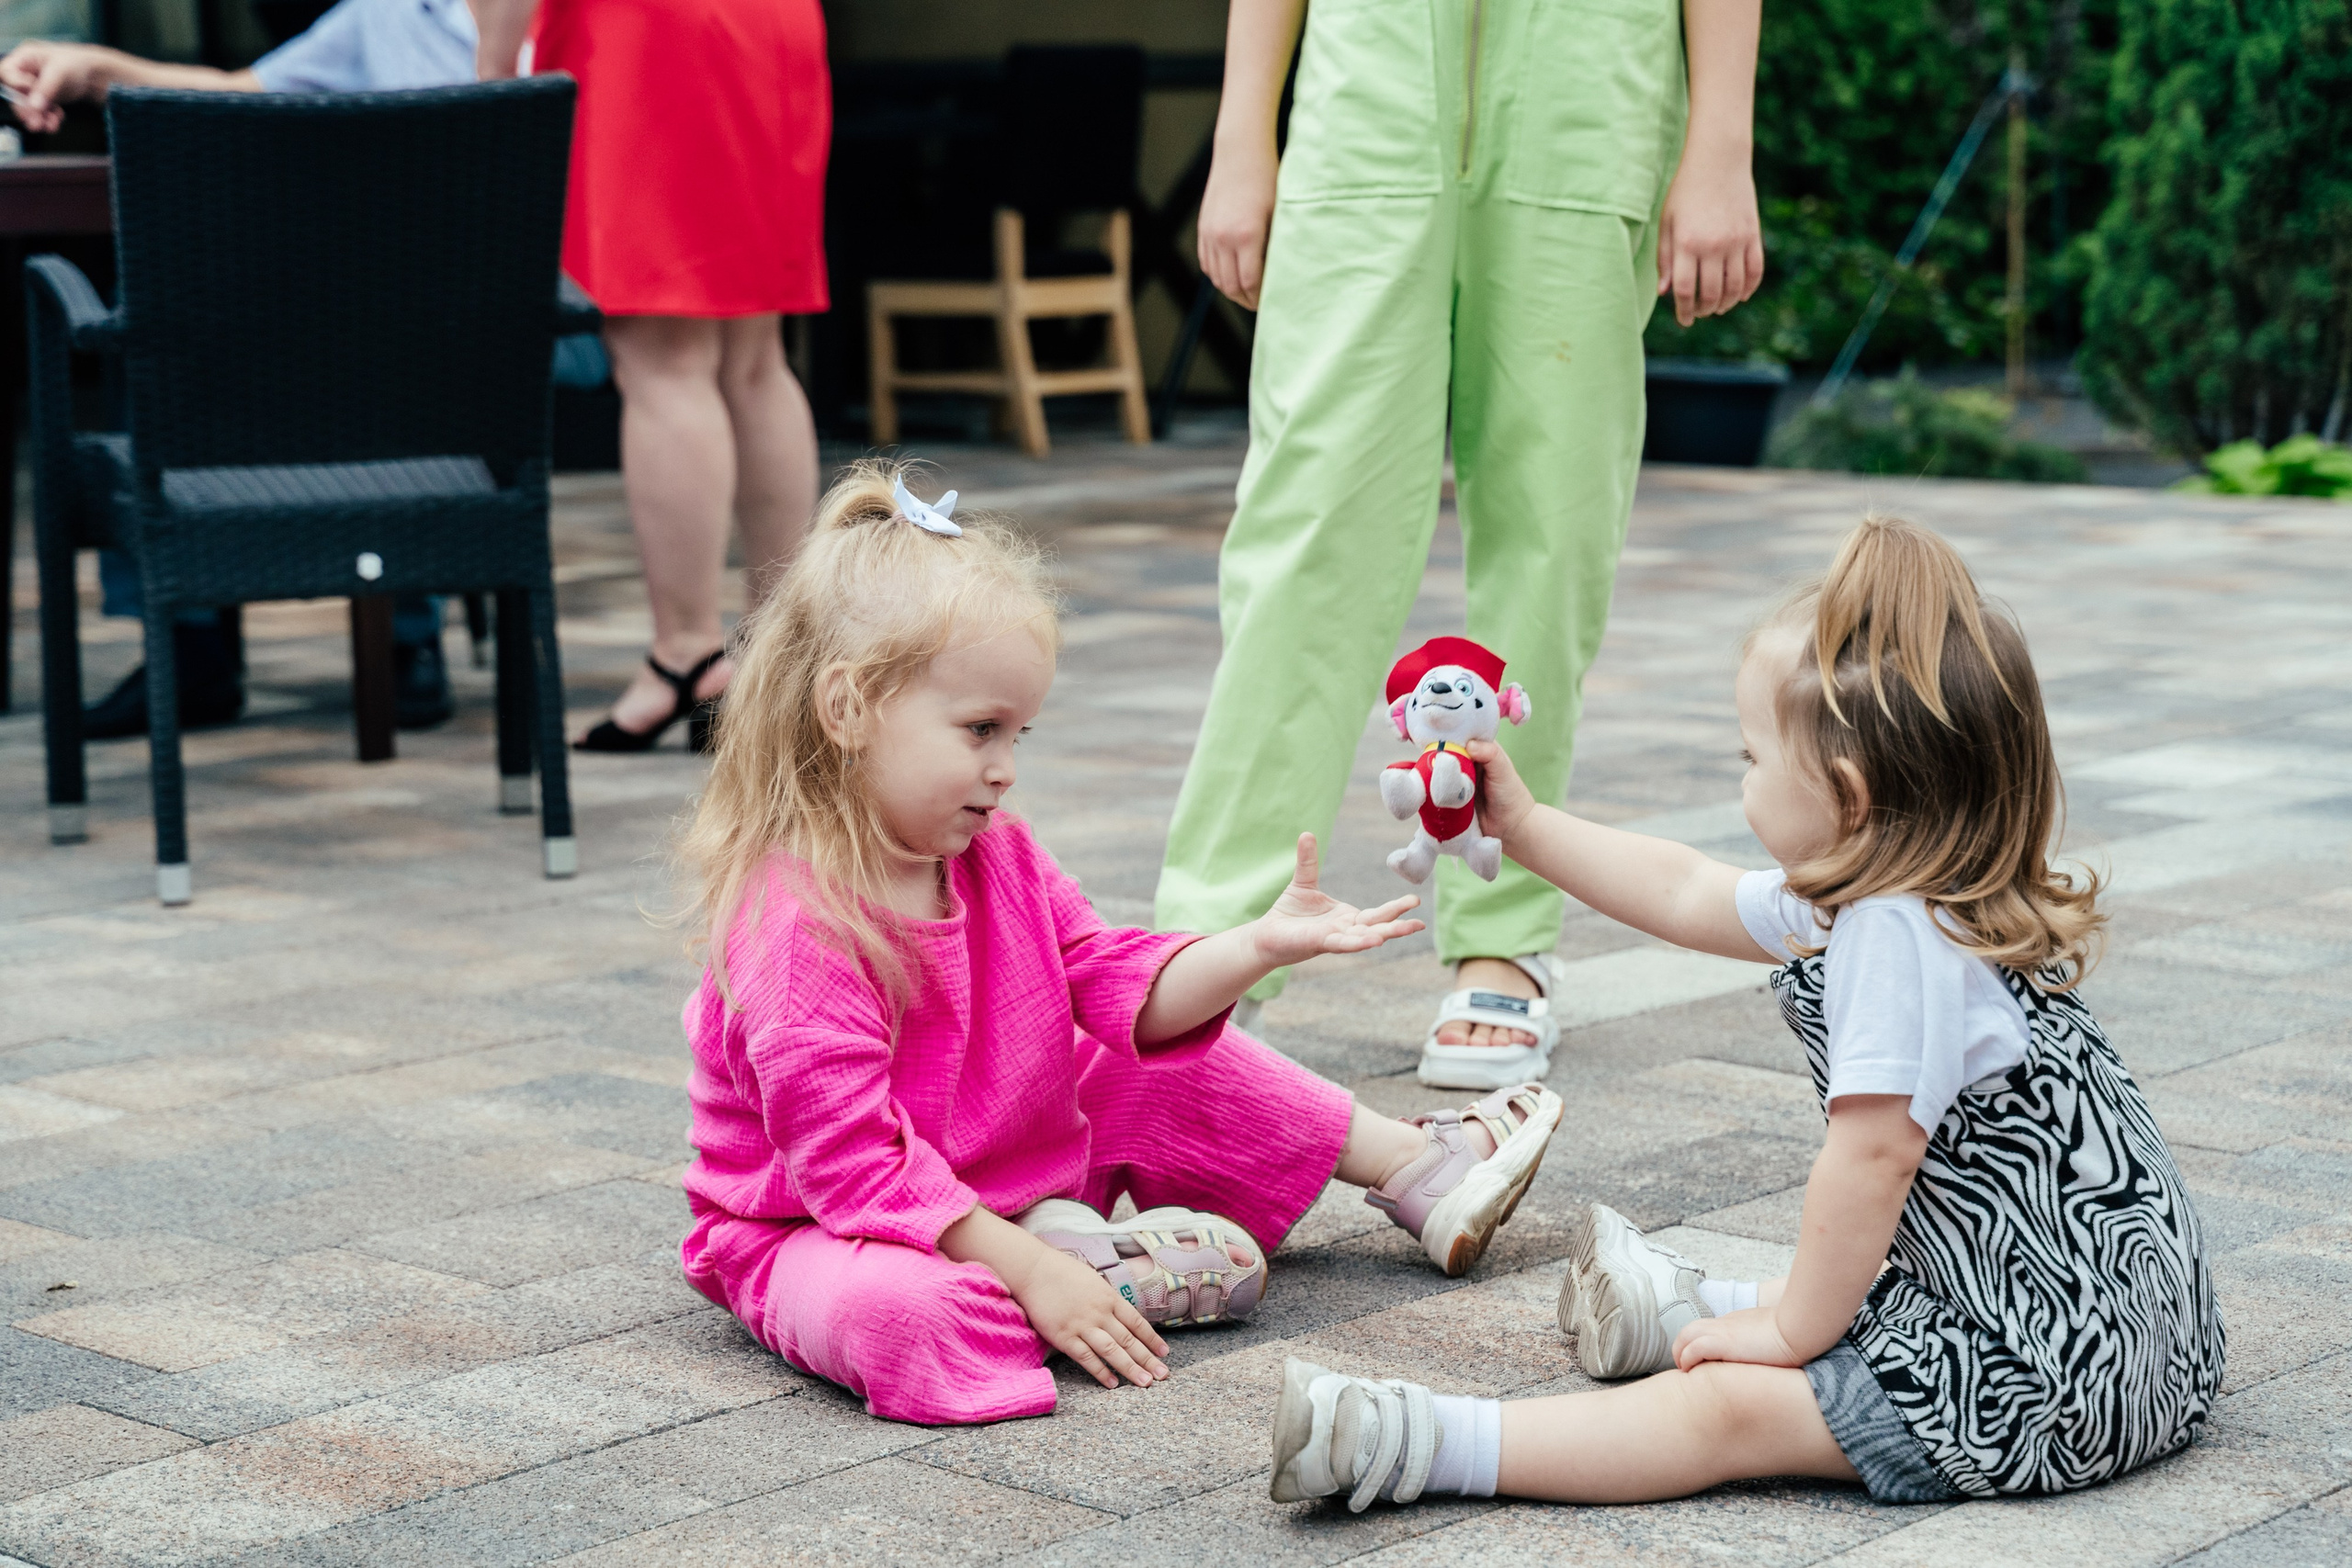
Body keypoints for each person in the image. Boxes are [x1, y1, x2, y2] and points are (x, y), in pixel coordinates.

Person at [1264, 516, 2225, 1508]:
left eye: (1749, 758)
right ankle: (1678, 1303)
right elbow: (1687, 891)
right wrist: (1524, 823)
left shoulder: (1896, 939)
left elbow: (1872, 1160)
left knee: (1724, 1406)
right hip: (2115, 1324)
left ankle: (1410, 1441)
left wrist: (1789, 1337)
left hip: (2045, 1379)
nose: (1742, 779)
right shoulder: (1918, 881)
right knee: (1825, 1310)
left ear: (1846, 797)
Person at [668, 462, 1566, 1424]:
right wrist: (1027, 1266)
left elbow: (1113, 986)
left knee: (1160, 1063)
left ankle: (1415, 1170)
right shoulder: (794, 922)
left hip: (995, 1169)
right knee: (903, 1318)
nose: (1005, 770)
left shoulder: (994, 851)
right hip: (816, 1224)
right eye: (979, 730)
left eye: (1019, 734)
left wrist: (1257, 945)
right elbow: (854, 1171)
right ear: (845, 709)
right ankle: (1064, 1276)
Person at [1157, 0, 1767, 1088]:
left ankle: (1505, 932)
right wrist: (1242, 134)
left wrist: (1720, 145)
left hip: (1586, 106)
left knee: (1550, 538)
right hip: (1365, 110)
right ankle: (1217, 938)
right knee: (1307, 540)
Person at [0, 0, 573, 735]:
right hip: (407, 334)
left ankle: (389, 625)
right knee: (188, 316)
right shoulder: (386, 18)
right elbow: (246, 95)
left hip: (562, 311)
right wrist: (95, 71)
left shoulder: (611, 22)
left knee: (357, 314)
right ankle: (206, 641)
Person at [472, 0, 823, 754]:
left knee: (664, 362)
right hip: (774, 27)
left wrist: (495, 70)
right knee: (754, 360)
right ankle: (773, 659)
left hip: (653, 35)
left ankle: (688, 653)